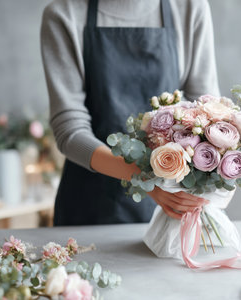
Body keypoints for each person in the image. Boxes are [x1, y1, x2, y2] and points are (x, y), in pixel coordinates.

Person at [40, 0, 220, 225]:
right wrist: (146, 178)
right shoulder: (64, 14)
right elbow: (69, 128)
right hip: (90, 207)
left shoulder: (189, 7)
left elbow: (207, 112)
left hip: (171, 207)